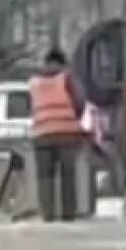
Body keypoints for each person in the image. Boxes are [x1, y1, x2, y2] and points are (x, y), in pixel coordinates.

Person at [29, 48, 88, 222]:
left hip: (42, 133)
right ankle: (68, 213)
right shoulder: (67, 78)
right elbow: (80, 101)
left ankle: (47, 214)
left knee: (45, 176)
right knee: (67, 175)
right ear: (63, 63)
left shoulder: (34, 82)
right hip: (66, 133)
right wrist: (74, 117)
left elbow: (31, 107)